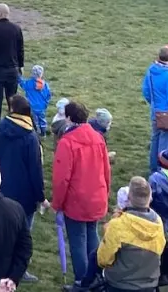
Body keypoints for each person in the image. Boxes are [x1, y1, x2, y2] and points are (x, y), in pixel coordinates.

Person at [53, 100, 111, 290]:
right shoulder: (98, 138)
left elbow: (62, 179)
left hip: (77, 200)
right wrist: (106, 192)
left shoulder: (67, 142)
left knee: (77, 240)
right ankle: (95, 276)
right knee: (92, 234)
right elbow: (106, 170)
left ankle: (82, 282)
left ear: (69, 118)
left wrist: (57, 204)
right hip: (97, 196)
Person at [96, 176, 165, 292]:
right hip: (149, 285)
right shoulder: (158, 222)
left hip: (119, 285)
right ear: (150, 198)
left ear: (129, 198)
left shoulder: (118, 224)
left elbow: (103, 259)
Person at [0, 96, 44, 232]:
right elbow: (35, 169)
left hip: (3, 188)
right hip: (26, 194)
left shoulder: (0, 127)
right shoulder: (31, 137)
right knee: (24, 233)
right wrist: (40, 197)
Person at [142, 47, 168, 175]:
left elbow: (146, 91)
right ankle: (162, 172)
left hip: (155, 112)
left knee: (155, 140)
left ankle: (153, 168)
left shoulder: (150, 71)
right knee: (164, 145)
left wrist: (154, 104)